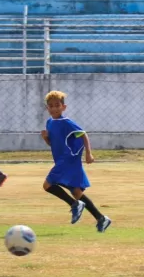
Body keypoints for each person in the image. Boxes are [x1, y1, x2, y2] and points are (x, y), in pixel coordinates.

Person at [41, 91, 111, 232]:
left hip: (67, 160)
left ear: (63, 107)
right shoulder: (49, 123)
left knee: (47, 185)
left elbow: (83, 134)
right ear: (47, 108)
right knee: (77, 191)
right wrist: (46, 138)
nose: (54, 108)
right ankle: (101, 218)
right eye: (51, 106)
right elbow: (53, 144)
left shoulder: (66, 123)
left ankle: (74, 204)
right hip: (62, 160)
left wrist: (89, 154)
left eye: (57, 105)